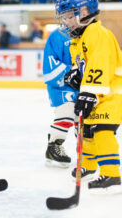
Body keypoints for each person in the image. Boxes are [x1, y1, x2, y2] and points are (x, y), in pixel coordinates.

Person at [56, 0, 122, 193]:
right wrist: (76, 75)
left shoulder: (98, 34)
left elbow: (100, 64)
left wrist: (89, 91)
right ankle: (89, 166)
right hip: (97, 95)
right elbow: (84, 65)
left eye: (68, 16)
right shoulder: (78, 39)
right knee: (87, 133)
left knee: (103, 131)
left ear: (83, 12)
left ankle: (112, 174)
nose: (65, 21)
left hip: (111, 95)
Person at [43, 28, 78, 168]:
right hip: (61, 85)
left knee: (82, 116)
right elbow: (49, 64)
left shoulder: (87, 33)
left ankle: (87, 151)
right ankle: (53, 146)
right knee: (66, 111)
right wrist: (69, 74)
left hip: (82, 83)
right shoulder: (57, 36)